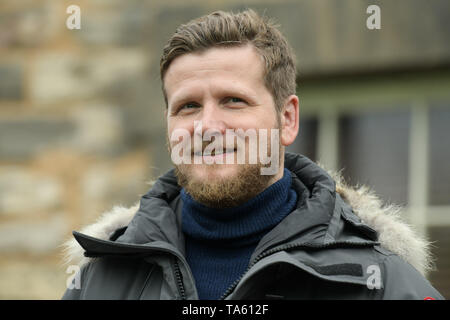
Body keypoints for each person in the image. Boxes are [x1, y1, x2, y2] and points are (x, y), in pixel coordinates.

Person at [62, 9, 443, 300]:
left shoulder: (379, 281)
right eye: (188, 106)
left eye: (233, 101)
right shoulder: (101, 278)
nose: (208, 127)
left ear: (288, 119)